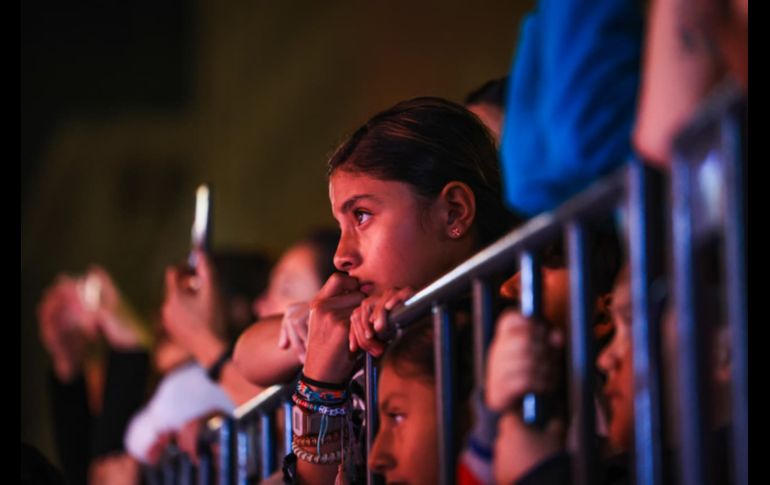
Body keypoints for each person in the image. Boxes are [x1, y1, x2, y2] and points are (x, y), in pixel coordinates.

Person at [286, 96, 522, 484]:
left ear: (454, 212)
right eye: (342, 224)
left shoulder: (511, 323)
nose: (341, 257)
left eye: (362, 215)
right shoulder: (373, 330)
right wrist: (320, 379)